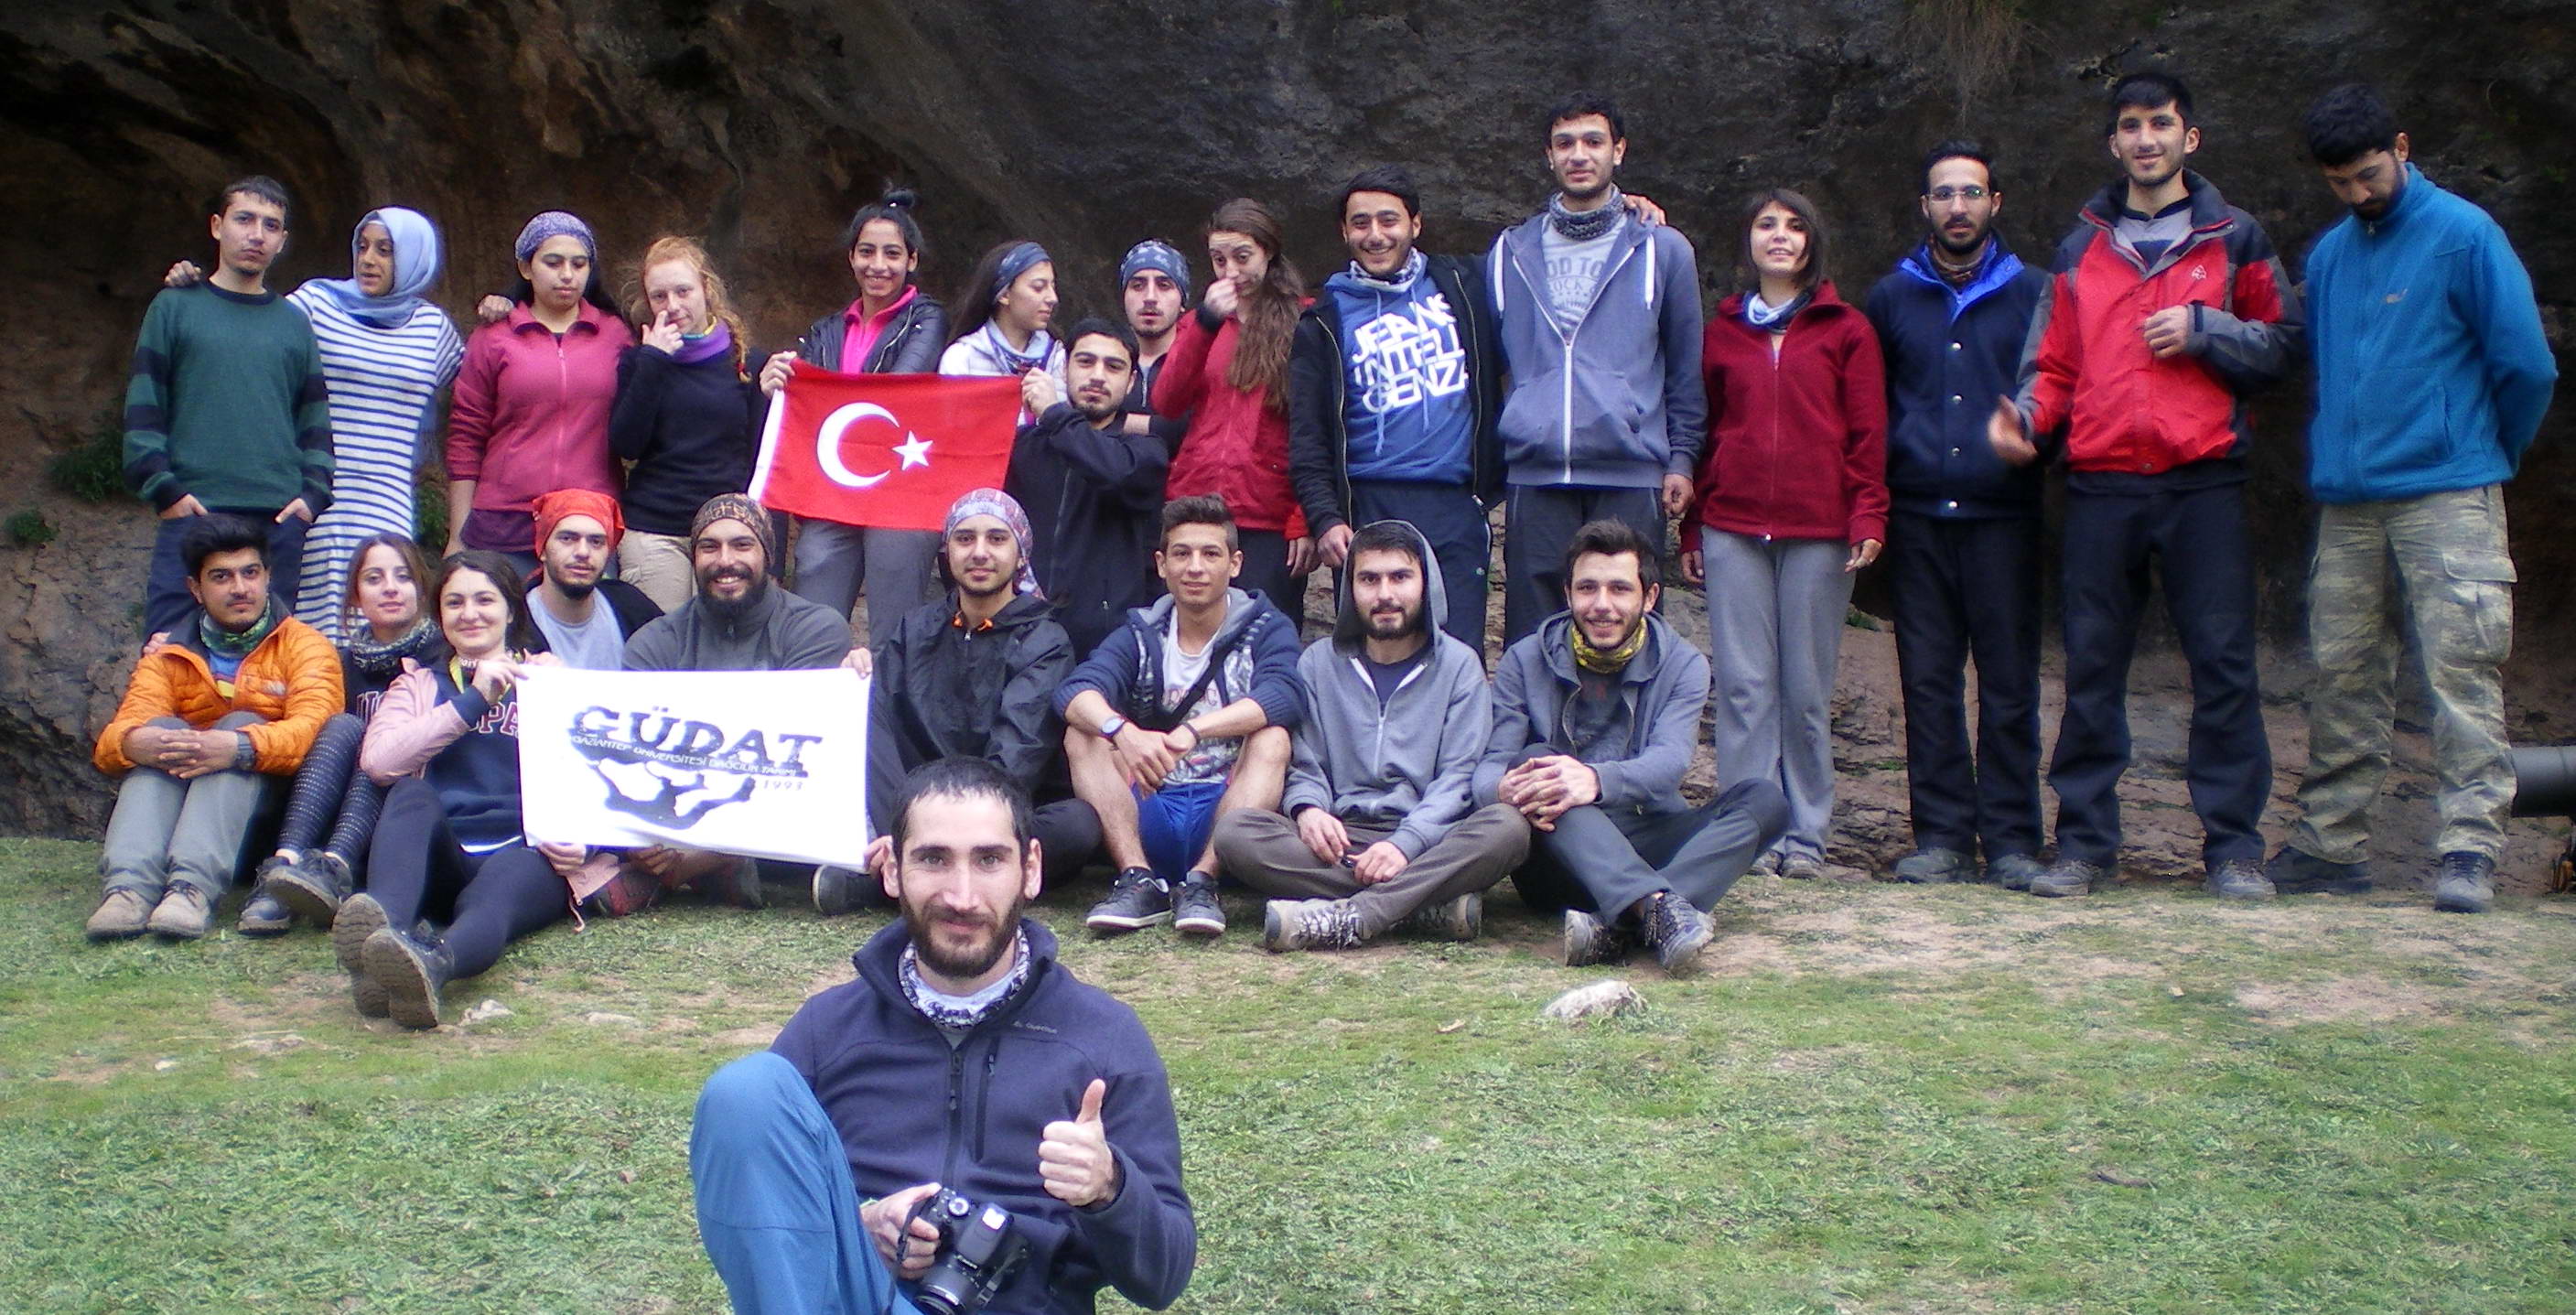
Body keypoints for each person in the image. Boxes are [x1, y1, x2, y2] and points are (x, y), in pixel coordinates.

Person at [688, 758, 1195, 1315]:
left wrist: (1109, 1187)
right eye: (933, 859)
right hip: (858, 1302)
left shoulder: (1105, 1036)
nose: (962, 896)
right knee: (746, 1092)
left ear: (1030, 869)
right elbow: (768, 1212)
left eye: (989, 860)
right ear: (891, 870)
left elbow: (1164, 1279)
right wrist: (860, 1227)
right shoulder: (827, 1029)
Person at [1990, 72, 2304, 900]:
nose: (2145, 138)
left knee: (2223, 666)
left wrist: (2204, 328)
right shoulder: (2079, 248)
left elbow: (2283, 342)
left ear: (2187, 139)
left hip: (2203, 480)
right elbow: (2052, 364)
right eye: (2129, 126)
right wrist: (2027, 419)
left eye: (2159, 123)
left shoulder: (2235, 236)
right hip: (2101, 484)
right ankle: (2084, 847)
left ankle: (2233, 851)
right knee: (2091, 668)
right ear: (2113, 143)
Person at [2269, 85, 2557, 915]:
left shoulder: (2463, 233)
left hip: (2447, 490)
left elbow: (2526, 365)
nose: (2358, 193)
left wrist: (2484, 452)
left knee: (2460, 670)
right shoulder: (2330, 255)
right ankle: (2330, 844)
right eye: (2339, 182)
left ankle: (2470, 848)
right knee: (2341, 670)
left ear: (2399, 147)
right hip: (2349, 501)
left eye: (2368, 174)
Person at [1680, 189, 1888, 883]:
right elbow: (1704, 431)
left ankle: (1805, 834)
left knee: (1804, 691)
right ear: (1748, 241)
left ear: (1811, 243)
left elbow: (1867, 434)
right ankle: (1747, 830)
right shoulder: (1721, 333)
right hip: (1731, 525)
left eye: (1794, 226)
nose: (1779, 236)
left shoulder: (1846, 329)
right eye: (1766, 224)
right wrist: (1692, 526)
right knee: (1744, 688)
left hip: (1820, 529)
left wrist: (1868, 514)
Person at [1863, 140, 2053, 890]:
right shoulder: (1891, 297)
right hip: (1916, 517)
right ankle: (1941, 836)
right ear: (1924, 206)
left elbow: (2055, 387)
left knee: (2008, 683)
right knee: (1928, 682)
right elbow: (1871, 406)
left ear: (1994, 203)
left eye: (1971, 192)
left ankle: (2010, 839)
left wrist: (2032, 441)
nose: (1957, 207)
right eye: (1943, 194)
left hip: (2004, 515)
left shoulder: (2033, 290)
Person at [1478, 521, 1789, 975]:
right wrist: (1500, 790)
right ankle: (1657, 910)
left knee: (1765, 799)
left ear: (1649, 596)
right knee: (1535, 762)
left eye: (1619, 589)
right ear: (1568, 594)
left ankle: (1622, 923)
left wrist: (1596, 779)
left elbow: (1669, 763)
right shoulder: (1524, 659)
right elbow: (1489, 767)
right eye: (1587, 588)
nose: (1602, 605)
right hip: (1559, 856)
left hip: (1648, 834)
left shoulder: (1683, 663)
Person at [1213, 521, 1530, 951]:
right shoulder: (1318, 664)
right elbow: (1305, 762)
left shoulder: (1460, 666)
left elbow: (1459, 777)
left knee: (1507, 827)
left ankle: (1358, 916)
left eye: (1400, 577)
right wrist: (1308, 810)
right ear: (1350, 588)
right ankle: (1421, 904)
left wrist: (1404, 845)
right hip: (1339, 841)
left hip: (1428, 840)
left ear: (1425, 584)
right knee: (1235, 832)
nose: (1385, 594)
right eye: (1369, 580)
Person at [163, 207, 466, 640]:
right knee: (306, 621)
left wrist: (506, 308)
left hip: (387, 501)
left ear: (414, 258)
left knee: (382, 618)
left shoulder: (434, 329)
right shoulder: (316, 304)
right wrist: (196, 293)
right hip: (318, 494)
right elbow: (249, 325)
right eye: (363, 247)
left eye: (385, 250)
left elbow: (484, 385)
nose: (368, 259)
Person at [1487, 93, 1707, 644]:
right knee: (1534, 637)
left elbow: (1685, 368)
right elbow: (1489, 362)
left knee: (1625, 632)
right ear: (1548, 156)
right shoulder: (1509, 251)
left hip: (1628, 470)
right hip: (1537, 472)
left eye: (1593, 141)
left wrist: (1681, 459)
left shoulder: (1661, 249)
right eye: (1565, 144)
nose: (1579, 155)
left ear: (1619, 151)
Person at [335, 552, 587, 1028]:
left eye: (484, 600)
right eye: (454, 603)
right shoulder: (417, 683)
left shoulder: (553, 679)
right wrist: (473, 700)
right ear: (440, 617)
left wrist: (583, 841)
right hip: (444, 853)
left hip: (526, 852)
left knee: (496, 895)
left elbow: (597, 776)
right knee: (409, 796)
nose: (470, 614)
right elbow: (379, 762)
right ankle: (382, 936)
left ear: (511, 612)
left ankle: (431, 965)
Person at [829, 488, 1103, 915]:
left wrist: (951, 830)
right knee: (863, 699)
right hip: (914, 810)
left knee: (1076, 825)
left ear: (1020, 554)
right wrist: (857, 676)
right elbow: (882, 735)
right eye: (964, 538)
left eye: (997, 539)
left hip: (996, 819)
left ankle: (892, 880)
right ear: (947, 551)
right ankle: (918, 859)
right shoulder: (915, 629)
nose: (979, 552)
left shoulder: (1045, 640)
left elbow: (1017, 757)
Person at [87, 514, 342, 942]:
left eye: (250, 573)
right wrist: (134, 742)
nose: (240, 588)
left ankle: (191, 890)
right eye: (221, 577)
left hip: (270, 820)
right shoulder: (169, 655)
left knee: (242, 722)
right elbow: (115, 737)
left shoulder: (306, 646)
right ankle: (128, 889)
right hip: (183, 805)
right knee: (157, 729)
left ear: (268, 577)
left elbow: (316, 731)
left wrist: (238, 747)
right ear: (196, 589)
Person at [1059, 496, 1303, 939]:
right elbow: (1075, 692)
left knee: (1273, 738)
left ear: (1234, 564)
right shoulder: (1140, 631)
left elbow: (1283, 695)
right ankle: (1137, 879)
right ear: (1162, 564)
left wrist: (1194, 730)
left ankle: (1203, 883)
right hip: (1150, 802)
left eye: (1210, 554)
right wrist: (1124, 732)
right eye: (1181, 554)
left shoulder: (1266, 627)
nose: (1195, 567)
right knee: (1084, 734)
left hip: (1227, 810)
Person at [1289, 166, 1504, 651]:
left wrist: (1624, 209)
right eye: (1360, 223)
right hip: (1367, 502)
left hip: (1455, 501)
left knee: (1459, 654)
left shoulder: (1464, 285)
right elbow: (1308, 435)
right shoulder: (1322, 320)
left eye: (1389, 220)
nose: (1375, 235)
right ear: (1344, 231)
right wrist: (1325, 517)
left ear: (1416, 224)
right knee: (1376, 654)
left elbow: (1535, 259)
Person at [622, 493, 860, 905]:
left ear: (768, 555)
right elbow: (639, 752)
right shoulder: (654, 643)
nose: (725, 560)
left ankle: (702, 866)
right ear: (693, 558)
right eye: (709, 547)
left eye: (742, 545)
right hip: (686, 799)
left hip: (783, 797)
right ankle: (710, 864)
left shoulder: (817, 628)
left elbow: (799, 754)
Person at [123, 176, 333, 641]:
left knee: (265, 663)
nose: (256, 234)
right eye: (244, 219)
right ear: (217, 226)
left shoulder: (293, 323)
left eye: (270, 225)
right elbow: (144, 407)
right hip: (194, 509)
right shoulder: (174, 307)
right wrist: (165, 490)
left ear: (282, 240)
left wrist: (312, 496)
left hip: (277, 520)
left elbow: (314, 419)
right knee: (170, 654)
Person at [765, 189, 951, 648]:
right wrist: (777, 382)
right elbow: (805, 402)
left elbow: (898, 389)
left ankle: (891, 694)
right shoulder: (826, 329)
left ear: (912, 261)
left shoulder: (928, 319)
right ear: (851, 258)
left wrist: (822, 389)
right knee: (812, 609)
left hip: (900, 489)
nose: (878, 265)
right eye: (866, 252)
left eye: (892, 253)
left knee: (895, 626)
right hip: (836, 490)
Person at [239, 533, 446, 936]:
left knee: (381, 749)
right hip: (332, 805)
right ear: (355, 596)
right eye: (374, 578)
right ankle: (285, 865)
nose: (390, 588)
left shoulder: (443, 655)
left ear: (422, 589)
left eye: (403, 577)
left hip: (406, 807)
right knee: (343, 726)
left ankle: (336, 868)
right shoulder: (336, 661)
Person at [447, 210, 634, 578]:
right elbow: (466, 436)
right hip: (503, 522)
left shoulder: (615, 335)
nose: (567, 275)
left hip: (587, 520)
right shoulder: (494, 337)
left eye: (579, 264)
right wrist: (457, 535)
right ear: (525, 267)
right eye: (553, 262)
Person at [1152, 200, 1314, 619]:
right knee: (1188, 627)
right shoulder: (1199, 322)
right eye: (1218, 259)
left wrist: (1304, 516)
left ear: (1268, 252)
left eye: (1243, 257)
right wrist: (1206, 323)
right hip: (1196, 506)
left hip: (1268, 514)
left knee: (1264, 632)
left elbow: (1319, 426)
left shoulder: (1305, 321)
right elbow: (1167, 401)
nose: (1230, 272)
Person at [610, 235, 767, 612]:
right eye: (659, 296)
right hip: (655, 528)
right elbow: (626, 445)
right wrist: (653, 361)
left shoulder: (746, 362)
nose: (673, 305)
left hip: (724, 531)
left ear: (706, 289)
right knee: (661, 639)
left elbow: (759, 459)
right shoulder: (639, 361)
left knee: (723, 643)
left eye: (683, 291)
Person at [1009, 317, 1171, 657]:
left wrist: (1054, 414)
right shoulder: (1023, 448)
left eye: (1113, 366)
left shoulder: (1146, 452)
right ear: (1064, 368)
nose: (1098, 376)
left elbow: (1114, 472)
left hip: (1109, 649)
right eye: (1085, 362)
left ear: (1131, 382)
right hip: (1022, 637)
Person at [525, 489, 663, 670]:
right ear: (542, 549)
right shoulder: (512, 618)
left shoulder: (632, 607)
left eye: (596, 542)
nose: (583, 552)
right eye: (567, 538)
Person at [943, 239, 1069, 422]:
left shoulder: (1058, 358)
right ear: (1004, 294)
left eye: (1053, 287)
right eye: (1038, 287)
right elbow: (951, 427)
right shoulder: (962, 357)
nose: (1052, 298)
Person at [1116, 239, 1194, 450]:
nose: (1150, 297)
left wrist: (1113, 423)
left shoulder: (1200, 362)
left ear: (1182, 301)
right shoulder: (1103, 359)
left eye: (1164, 285)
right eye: (1138, 285)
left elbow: (1198, 427)